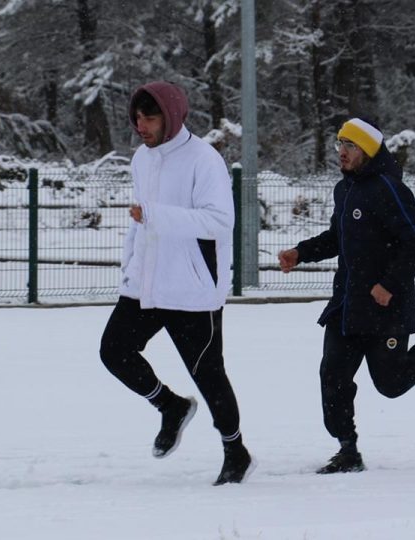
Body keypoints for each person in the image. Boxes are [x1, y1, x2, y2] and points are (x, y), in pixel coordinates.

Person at [278, 118, 415, 474]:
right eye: (340, 144)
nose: (342, 151)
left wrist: (390, 283)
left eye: (350, 145)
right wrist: (300, 252)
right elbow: (337, 238)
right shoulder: (345, 190)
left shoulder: (389, 189)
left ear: (368, 150)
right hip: (346, 307)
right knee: (333, 377)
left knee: (391, 384)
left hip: (386, 308)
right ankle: (348, 450)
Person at [98, 81, 254, 485]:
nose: (141, 126)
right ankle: (170, 406)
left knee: (208, 373)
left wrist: (156, 215)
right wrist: (129, 265)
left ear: (171, 115)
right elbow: (139, 217)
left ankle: (236, 452)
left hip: (192, 289)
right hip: (145, 284)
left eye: (149, 118)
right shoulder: (141, 158)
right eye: (137, 118)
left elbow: (220, 221)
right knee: (114, 351)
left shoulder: (204, 160)